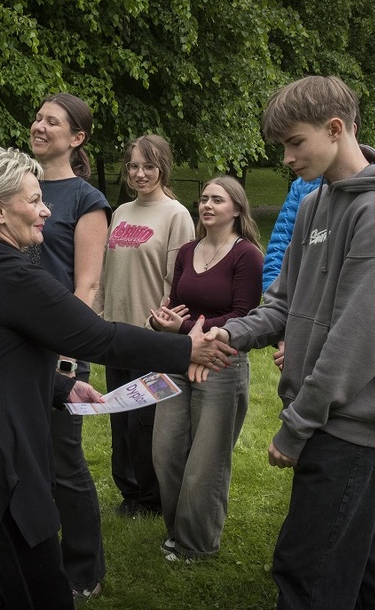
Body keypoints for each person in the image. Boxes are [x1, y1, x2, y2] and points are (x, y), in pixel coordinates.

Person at [0, 145, 236, 609]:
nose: (46, 210)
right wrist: (186, 346)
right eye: (33, 201)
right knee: (28, 580)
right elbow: (99, 338)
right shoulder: (12, 277)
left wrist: (61, 386)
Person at [202, 75, 375, 608]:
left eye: (294, 142)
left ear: (335, 128)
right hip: (326, 415)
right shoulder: (313, 206)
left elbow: (362, 335)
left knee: (307, 573)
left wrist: (298, 424)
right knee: (357, 564)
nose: (285, 157)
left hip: (348, 422)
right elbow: (282, 303)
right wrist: (228, 332)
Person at [149, 176, 263, 561]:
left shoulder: (246, 254)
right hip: (178, 356)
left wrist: (182, 327)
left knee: (206, 460)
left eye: (218, 199)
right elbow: (176, 302)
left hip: (221, 361)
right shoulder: (186, 251)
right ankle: (175, 530)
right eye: (203, 199)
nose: (207, 205)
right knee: (166, 450)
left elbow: (243, 315)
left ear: (237, 208)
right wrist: (162, 321)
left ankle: (197, 545)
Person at [27, 92, 111, 601]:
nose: (39, 126)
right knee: (19, 452)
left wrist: (65, 353)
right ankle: (32, 551)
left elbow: (87, 287)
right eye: (37, 118)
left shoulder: (86, 199)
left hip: (59, 344)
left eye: (51, 122)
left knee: (63, 460)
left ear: (76, 138)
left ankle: (83, 568)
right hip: (12, 341)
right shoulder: (18, 186)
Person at [97, 134, 195, 518]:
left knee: (145, 422)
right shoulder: (120, 212)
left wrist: (160, 326)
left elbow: (178, 281)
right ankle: (129, 492)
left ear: (163, 168)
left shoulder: (176, 214)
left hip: (149, 336)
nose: (139, 173)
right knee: (119, 418)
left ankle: (151, 498)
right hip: (113, 333)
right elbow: (106, 274)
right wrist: (100, 319)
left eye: (148, 166)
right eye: (133, 166)